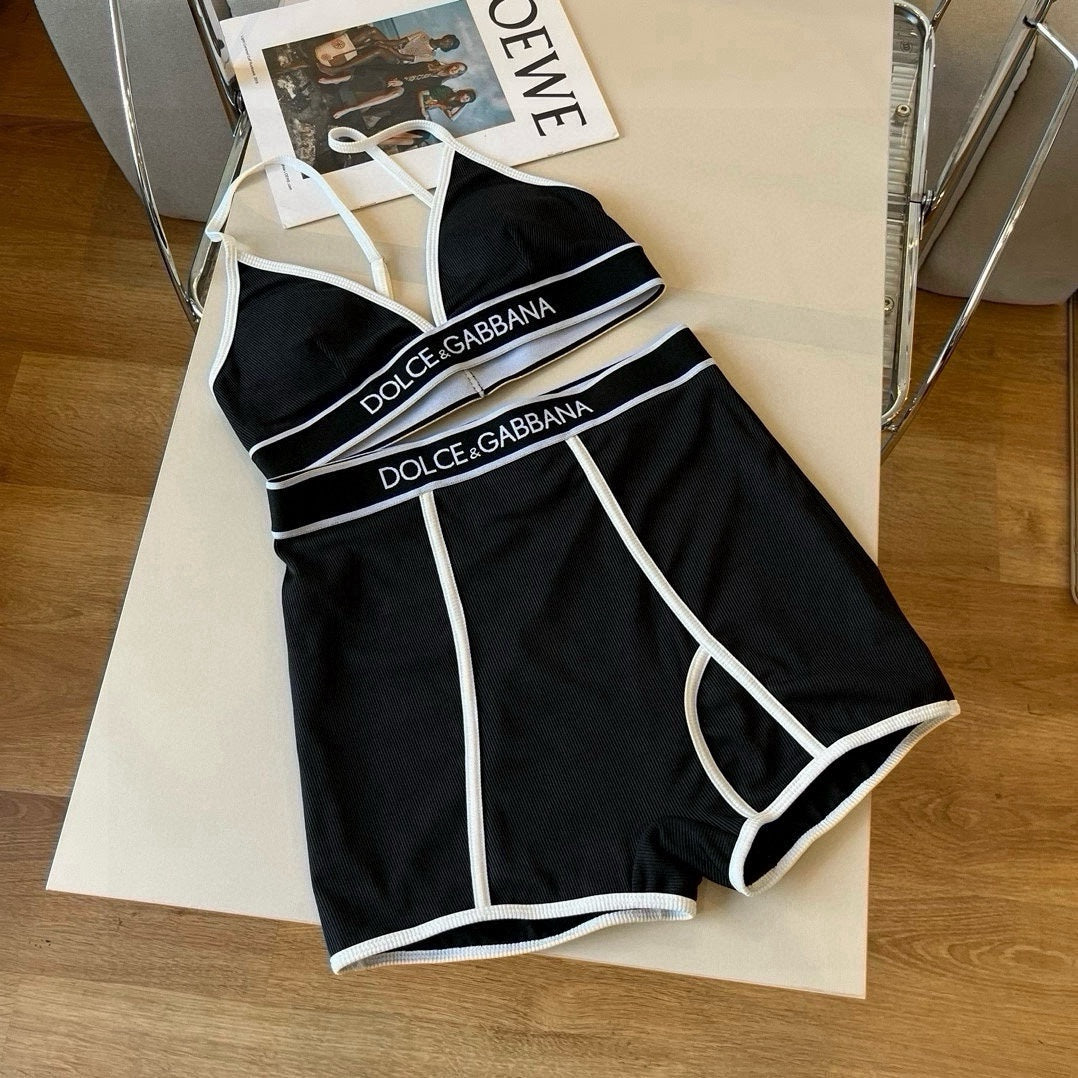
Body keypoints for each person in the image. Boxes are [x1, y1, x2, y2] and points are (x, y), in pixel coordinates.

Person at [313, 28, 460, 83]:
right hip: (395, 48)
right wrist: (384, 42)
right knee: (372, 31)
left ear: (446, 48)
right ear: (445, 36)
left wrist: (384, 46)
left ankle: (336, 69)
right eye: (448, 39)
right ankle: (337, 49)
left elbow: (404, 58)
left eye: (449, 45)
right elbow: (399, 42)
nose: (447, 42)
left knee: (379, 50)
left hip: (396, 60)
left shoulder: (431, 55)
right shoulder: (422, 35)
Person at [330, 62, 468, 121]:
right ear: (452, 64)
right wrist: (400, 79)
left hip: (404, 86)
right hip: (399, 73)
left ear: (457, 75)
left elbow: (416, 88)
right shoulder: (433, 63)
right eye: (456, 66)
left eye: (458, 71)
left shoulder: (437, 83)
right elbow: (409, 69)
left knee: (396, 94)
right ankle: (336, 80)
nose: (455, 69)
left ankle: (349, 109)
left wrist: (402, 83)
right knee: (378, 76)